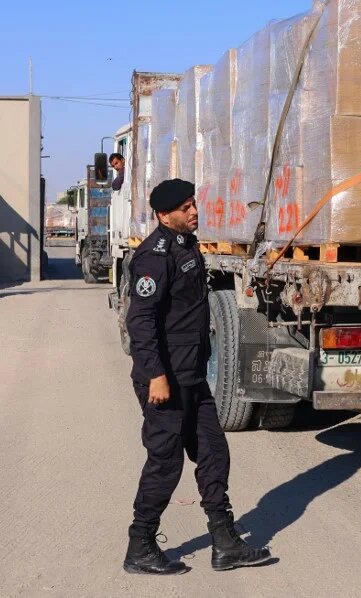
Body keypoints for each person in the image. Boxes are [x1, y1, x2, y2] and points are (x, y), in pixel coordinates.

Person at [123, 178, 271, 576]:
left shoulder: (185, 245)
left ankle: (225, 542)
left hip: (190, 374)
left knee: (212, 452)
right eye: (185, 207)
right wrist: (155, 374)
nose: (194, 211)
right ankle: (140, 545)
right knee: (165, 461)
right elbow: (140, 321)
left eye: (194, 204)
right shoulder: (153, 257)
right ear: (163, 214)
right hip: (165, 378)